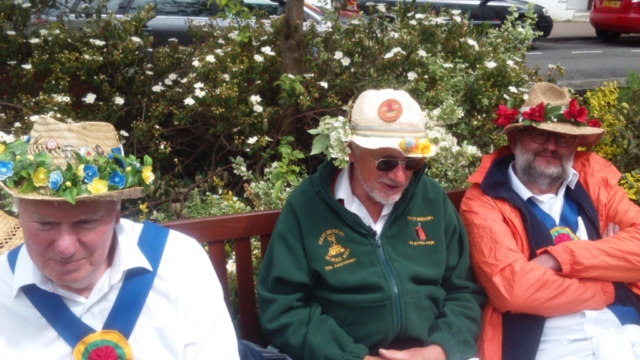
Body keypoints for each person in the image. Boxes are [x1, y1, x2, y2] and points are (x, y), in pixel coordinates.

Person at [257, 89, 486, 360]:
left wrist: (438, 350)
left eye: (411, 161)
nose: (400, 176)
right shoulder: (307, 206)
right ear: (351, 151)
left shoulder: (431, 199)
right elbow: (284, 308)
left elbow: (463, 290)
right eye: (386, 161)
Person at [0, 115, 240, 359]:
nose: (65, 247)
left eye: (86, 222)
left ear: (117, 214)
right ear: (18, 215)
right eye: (44, 224)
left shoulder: (180, 262)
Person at [460, 82, 640, 360]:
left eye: (563, 138)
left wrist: (558, 260)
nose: (552, 146)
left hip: (626, 326)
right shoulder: (484, 199)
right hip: (549, 342)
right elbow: (514, 290)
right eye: (539, 135)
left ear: (576, 144)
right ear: (514, 140)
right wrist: (610, 276)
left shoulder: (594, 180)